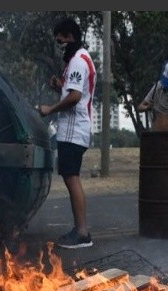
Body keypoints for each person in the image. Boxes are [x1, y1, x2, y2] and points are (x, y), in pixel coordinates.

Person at [38, 17, 96, 249]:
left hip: (74, 130)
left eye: (61, 40)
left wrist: (50, 108)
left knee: (72, 178)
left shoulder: (78, 61)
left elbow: (75, 97)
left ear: (70, 37)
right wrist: (59, 88)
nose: (59, 44)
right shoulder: (77, 60)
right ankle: (79, 230)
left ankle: (82, 233)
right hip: (74, 129)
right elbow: (71, 91)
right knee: (70, 177)